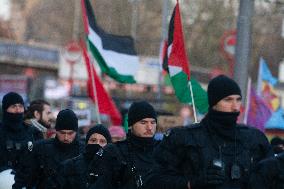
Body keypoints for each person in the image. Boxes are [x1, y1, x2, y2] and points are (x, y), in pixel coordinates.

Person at [144, 75, 273, 189]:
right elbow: (153, 180)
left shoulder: (255, 140)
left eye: (238, 100)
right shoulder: (183, 138)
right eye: (228, 100)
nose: (235, 106)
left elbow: (274, 179)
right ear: (214, 102)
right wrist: (190, 183)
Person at [13, 109, 84, 189]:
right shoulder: (40, 148)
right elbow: (24, 177)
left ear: (76, 132)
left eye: (70, 133)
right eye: (62, 133)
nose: (66, 137)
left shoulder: (84, 151)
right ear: (56, 131)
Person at [93, 101, 157, 189]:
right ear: (131, 125)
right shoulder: (114, 152)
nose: (149, 127)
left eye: (153, 122)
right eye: (143, 122)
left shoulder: (163, 151)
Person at [0, 92, 41, 188]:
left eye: (20, 106)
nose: (18, 110)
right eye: (13, 106)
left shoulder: (33, 132)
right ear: (6, 109)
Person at [58, 124, 112, 189]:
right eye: (93, 140)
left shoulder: (115, 169)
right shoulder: (70, 166)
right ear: (87, 142)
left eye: (102, 141)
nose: (97, 144)